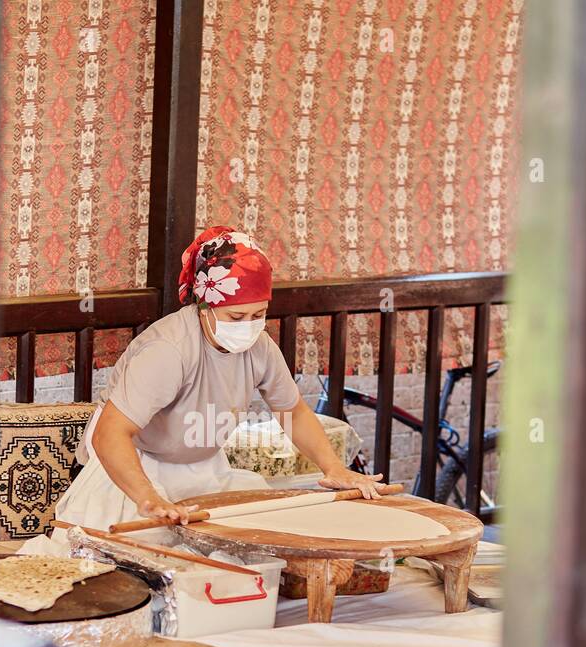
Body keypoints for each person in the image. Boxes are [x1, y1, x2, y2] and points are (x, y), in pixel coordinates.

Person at [39, 226, 385, 540]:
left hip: (204, 468)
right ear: (204, 306)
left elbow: (291, 409)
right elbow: (110, 433)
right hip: (134, 468)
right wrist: (149, 499)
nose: (249, 326)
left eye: (258, 315)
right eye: (236, 316)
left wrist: (334, 468)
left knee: (256, 536)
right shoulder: (169, 349)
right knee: (145, 551)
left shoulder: (259, 346)